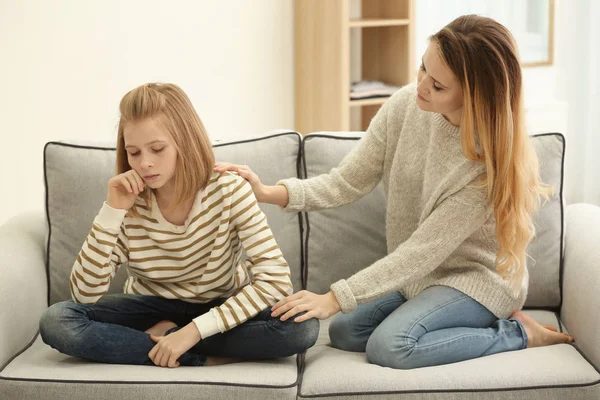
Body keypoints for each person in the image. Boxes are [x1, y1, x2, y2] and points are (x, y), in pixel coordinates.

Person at [213, 15, 574, 370]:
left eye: (438, 86)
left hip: (475, 280)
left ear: (474, 97)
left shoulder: (482, 169)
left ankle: (519, 334)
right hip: (420, 279)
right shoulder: (406, 105)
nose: (421, 86)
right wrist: (266, 192)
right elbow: (348, 181)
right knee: (345, 332)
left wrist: (334, 297)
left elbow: (418, 253)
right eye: (422, 69)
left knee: (391, 347)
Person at [39, 83, 319, 368]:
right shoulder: (127, 201)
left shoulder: (230, 190)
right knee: (57, 321)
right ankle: (199, 357)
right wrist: (112, 210)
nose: (145, 163)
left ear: (184, 142)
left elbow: (275, 280)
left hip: (217, 306)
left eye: (157, 149)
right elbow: (84, 294)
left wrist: (191, 332)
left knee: (301, 327)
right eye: (134, 153)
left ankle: (169, 340)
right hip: (147, 308)